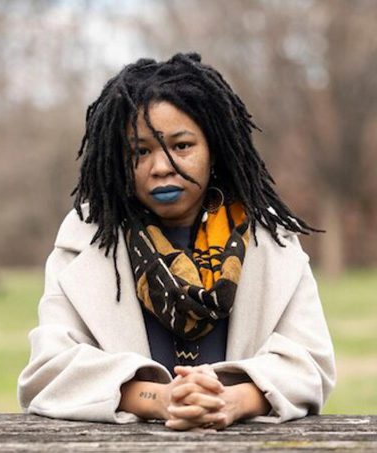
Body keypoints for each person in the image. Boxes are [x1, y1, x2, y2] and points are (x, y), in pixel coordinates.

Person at [18, 53, 335, 431]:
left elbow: (310, 363)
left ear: (213, 149)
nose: (161, 166)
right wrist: (161, 400)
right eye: (140, 151)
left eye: (182, 146)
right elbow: (48, 371)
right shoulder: (85, 237)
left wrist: (231, 402)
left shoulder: (272, 239)